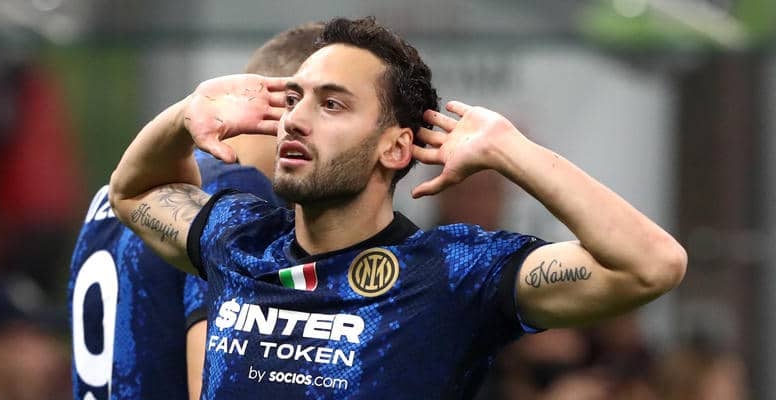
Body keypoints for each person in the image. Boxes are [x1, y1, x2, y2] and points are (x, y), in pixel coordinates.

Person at [108, 16, 687, 400]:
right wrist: (186, 111)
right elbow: (133, 190)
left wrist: (515, 153)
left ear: (395, 147)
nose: (296, 119)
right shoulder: (240, 240)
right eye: (295, 98)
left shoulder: (453, 272)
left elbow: (652, 264)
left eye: (332, 105)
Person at [68, 22, 324, 400]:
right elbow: (212, 382)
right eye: (330, 108)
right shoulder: (236, 196)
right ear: (288, 104)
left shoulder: (112, 197)